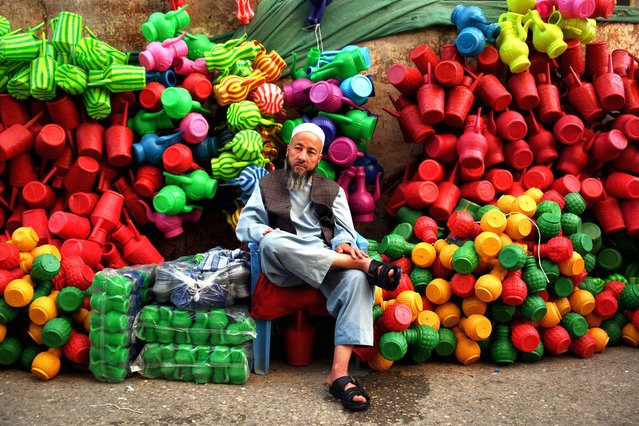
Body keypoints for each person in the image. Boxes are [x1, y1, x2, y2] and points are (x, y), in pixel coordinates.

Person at [235, 122, 401, 411]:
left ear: (318, 159)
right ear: (288, 150)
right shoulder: (267, 185)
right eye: (298, 148)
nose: (303, 156)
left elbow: (346, 231)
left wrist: (343, 243)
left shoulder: (332, 190)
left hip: (326, 264)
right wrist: (263, 233)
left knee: (357, 280)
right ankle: (360, 265)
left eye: (311, 152)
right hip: (284, 266)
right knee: (273, 241)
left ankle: (339, 373)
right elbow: (246, 225)